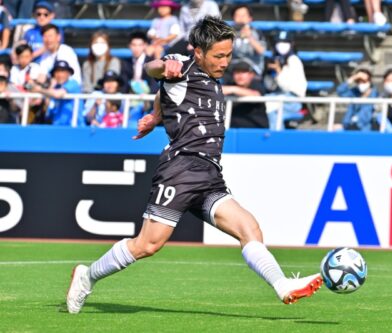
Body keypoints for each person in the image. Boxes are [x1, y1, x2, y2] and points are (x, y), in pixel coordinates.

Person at [66, 16, 322, 315]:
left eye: (228, 55)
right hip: (181, 170)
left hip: (210, 174)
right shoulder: (182, 66)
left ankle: (283, 286)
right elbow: (155, 69)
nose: (225, 62)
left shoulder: (213, 82)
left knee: (249, 228)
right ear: (198, 52)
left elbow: (165, 93)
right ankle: (88, 275)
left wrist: (157, 115)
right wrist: (164, 66)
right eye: (218, 56)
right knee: (148, 245)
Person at [264, 31, 307, 130]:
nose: (281, 45)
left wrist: (279, 72)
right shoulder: (276, 60)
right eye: (279, 42)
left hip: (293, 101)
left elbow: (290, 87)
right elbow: (270, 86)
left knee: (273, 110)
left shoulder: (294, 60)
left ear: (291, 44)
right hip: (277, 96)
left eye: (285, 42)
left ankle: (276, 140)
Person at [31, 60, 82, 126]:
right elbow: (49, 110)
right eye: (57, 71)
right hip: (57, 128)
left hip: (74, 127)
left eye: (63, 71)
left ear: (69, 73)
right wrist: (49, 87)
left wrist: (39, 89)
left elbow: (57, 94)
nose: (60, 74)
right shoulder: (54, 88)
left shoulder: (73, 83)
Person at [222, 59, 269, 128]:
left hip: (256, 131)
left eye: (244, 72)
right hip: (231, 131)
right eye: (237, 72)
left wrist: (233, 89)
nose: (240, 76)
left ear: (252, 74)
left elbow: (256, 95)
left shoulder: (256, 85)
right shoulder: (230, 84)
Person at [231, 5, 266, 76]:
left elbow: (261, 51)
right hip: (233, 68)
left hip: (252, 67)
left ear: (250, 18)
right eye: (237, 15)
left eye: (243, 15)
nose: (240, 18)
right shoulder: (229, 33)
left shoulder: (257, 32)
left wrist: (249, 37)